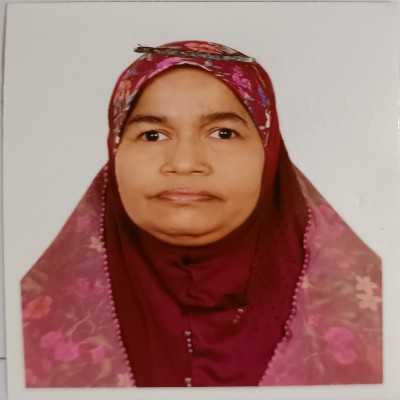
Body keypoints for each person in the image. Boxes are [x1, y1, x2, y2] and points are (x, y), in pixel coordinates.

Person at [21, 40, 382, 388]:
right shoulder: (26, 320)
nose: (184, 163)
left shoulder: (376, 316)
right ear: (115, 152)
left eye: (222, 133)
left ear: (268, 151)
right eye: (152, 135)